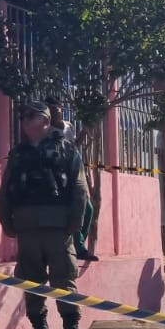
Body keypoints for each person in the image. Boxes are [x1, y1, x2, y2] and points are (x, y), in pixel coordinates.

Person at [0, 102, 88, 329]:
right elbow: (5, 190)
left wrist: (75, 222)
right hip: (27, 228)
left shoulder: (65, 150)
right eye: (26, 119)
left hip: (58, 227)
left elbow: (80, 188)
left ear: (46, 121)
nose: (28, 123)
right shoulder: (18, 154)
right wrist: (6, 222)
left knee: (64, 278)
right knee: (31, 281)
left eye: (33, 118)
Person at [46, 100, 98, 262]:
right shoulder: (46, 131)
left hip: (74, 170)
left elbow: (74, 145)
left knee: (88, 208)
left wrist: (84, 131)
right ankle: (79, 248)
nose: (57, 111)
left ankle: (77, 242)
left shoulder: (68, 125)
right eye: (53, 109)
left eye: (58, 108)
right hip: (59, 175)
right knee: (75, 207)